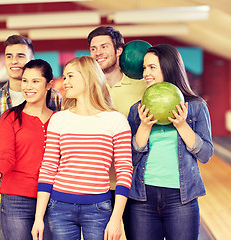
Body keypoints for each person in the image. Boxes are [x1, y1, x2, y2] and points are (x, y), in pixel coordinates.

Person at [31, 56, 133, 240]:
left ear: (88, 77)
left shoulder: (116, 120)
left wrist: (116, 218)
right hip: (59, 206)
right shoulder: (59, 119)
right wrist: (39, 217)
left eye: (70, 76)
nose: (65, 82)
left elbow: (124, 169)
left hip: (98, 208)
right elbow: (48, 167)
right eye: (64, 76)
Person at [0, 35, 62, 239]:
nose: (14, 61)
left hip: (53, 194)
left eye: (20, 56)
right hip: (7, 194)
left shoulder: (56, 100)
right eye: (9, 56)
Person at [124, 44, 214, 240]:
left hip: (181, 198)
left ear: (168, 67)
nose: (146, 73)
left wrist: (181, 125)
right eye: (144, 68)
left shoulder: (196, 107)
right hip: (142, 197)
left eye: (152, 67)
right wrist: (145, 127)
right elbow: (129, 159)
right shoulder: (136, 110)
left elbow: (206, 154)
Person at [88, 26, 147, 200]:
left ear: (119, 50)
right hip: (97, 183)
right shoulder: (87, 89)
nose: (98, 52)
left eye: (104, 46)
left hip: (134, 181)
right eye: (93, 48)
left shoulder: (143, 87)